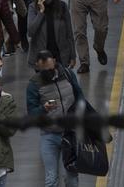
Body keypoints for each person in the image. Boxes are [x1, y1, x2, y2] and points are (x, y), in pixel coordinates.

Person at [26, 50, 84, 187]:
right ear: (38, 67)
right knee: (51, 179)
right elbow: (31, 114)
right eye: (44, 70)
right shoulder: (34, 85)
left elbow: (80, 95)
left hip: (70, 134)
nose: (49, 73)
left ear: (55, 62)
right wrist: (43, 109)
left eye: (50, 69)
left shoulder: (68, 75)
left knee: (71, 178)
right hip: (49, 135)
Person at [26, 0, 75, 68]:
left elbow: (69, 34)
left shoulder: (62, 7)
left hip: (60, 56)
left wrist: (72, 56)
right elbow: (30, 32)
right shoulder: (33, 7)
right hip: (41, 58)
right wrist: (41, 12)